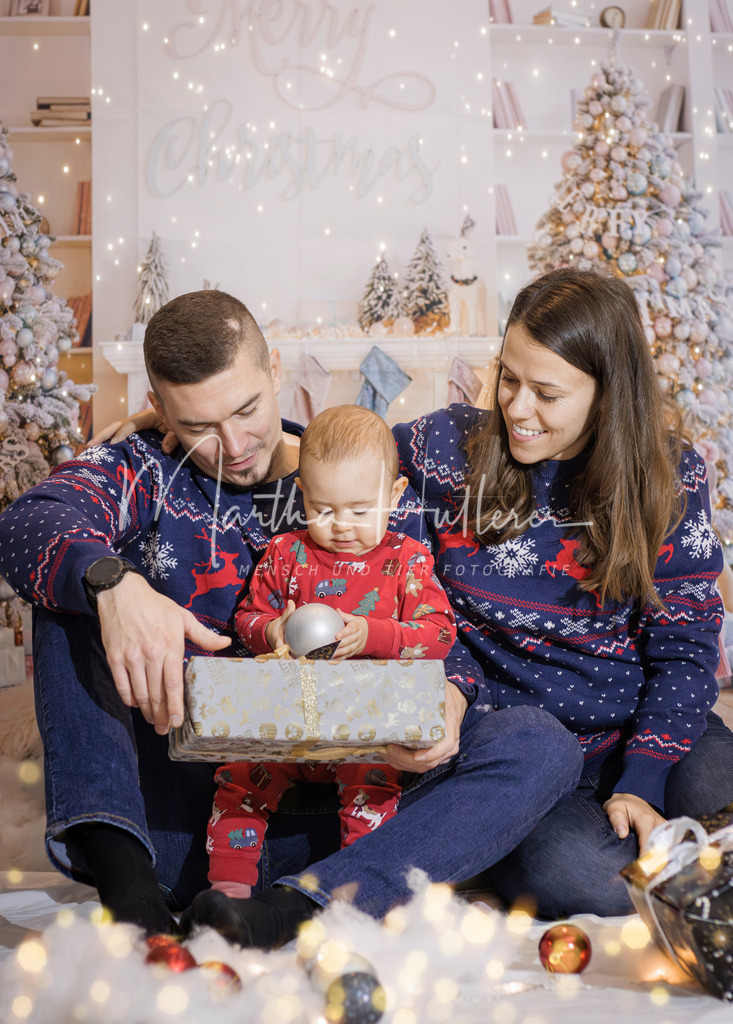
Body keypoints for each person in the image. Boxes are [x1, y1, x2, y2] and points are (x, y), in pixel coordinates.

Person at [0, 288, 584, 943]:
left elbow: (439, 635)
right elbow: (24, 523)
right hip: (193, 812)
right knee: (72, 587)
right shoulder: (144, 466)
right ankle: (131, 898)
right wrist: (116, 585)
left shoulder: (359, 476)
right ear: (158, 408)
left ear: (275, 369)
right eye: (199, 425)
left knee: (542, 746)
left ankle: (296, 909)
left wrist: (445, 702)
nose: (233, 443)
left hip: (356, 808)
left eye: (247, 409)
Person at [389, 266, 733, 918]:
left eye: (546, 393)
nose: (517, 408)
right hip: (534, 757)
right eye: (508, 379)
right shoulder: (449, 447)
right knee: (573, 879)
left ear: (605, 397)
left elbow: (685, 649)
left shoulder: (668, 477)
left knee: (718, 792)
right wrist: (181, 428)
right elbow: (332, 451)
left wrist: (643, 779)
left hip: (651, 730)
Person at [206, 405, 457, 901]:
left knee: (373, 792)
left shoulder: (407, 560)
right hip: (287, 722)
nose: (341, 526)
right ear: (302, 495)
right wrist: (273, 630)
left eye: (361, 511)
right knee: (238, 777)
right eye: (323, 510)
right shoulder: (285, 554)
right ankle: (228, 890)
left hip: (365, 729)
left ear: (395, 496)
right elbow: (245, 620)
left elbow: (439, 635)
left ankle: (356, 894)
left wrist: (374, 634)